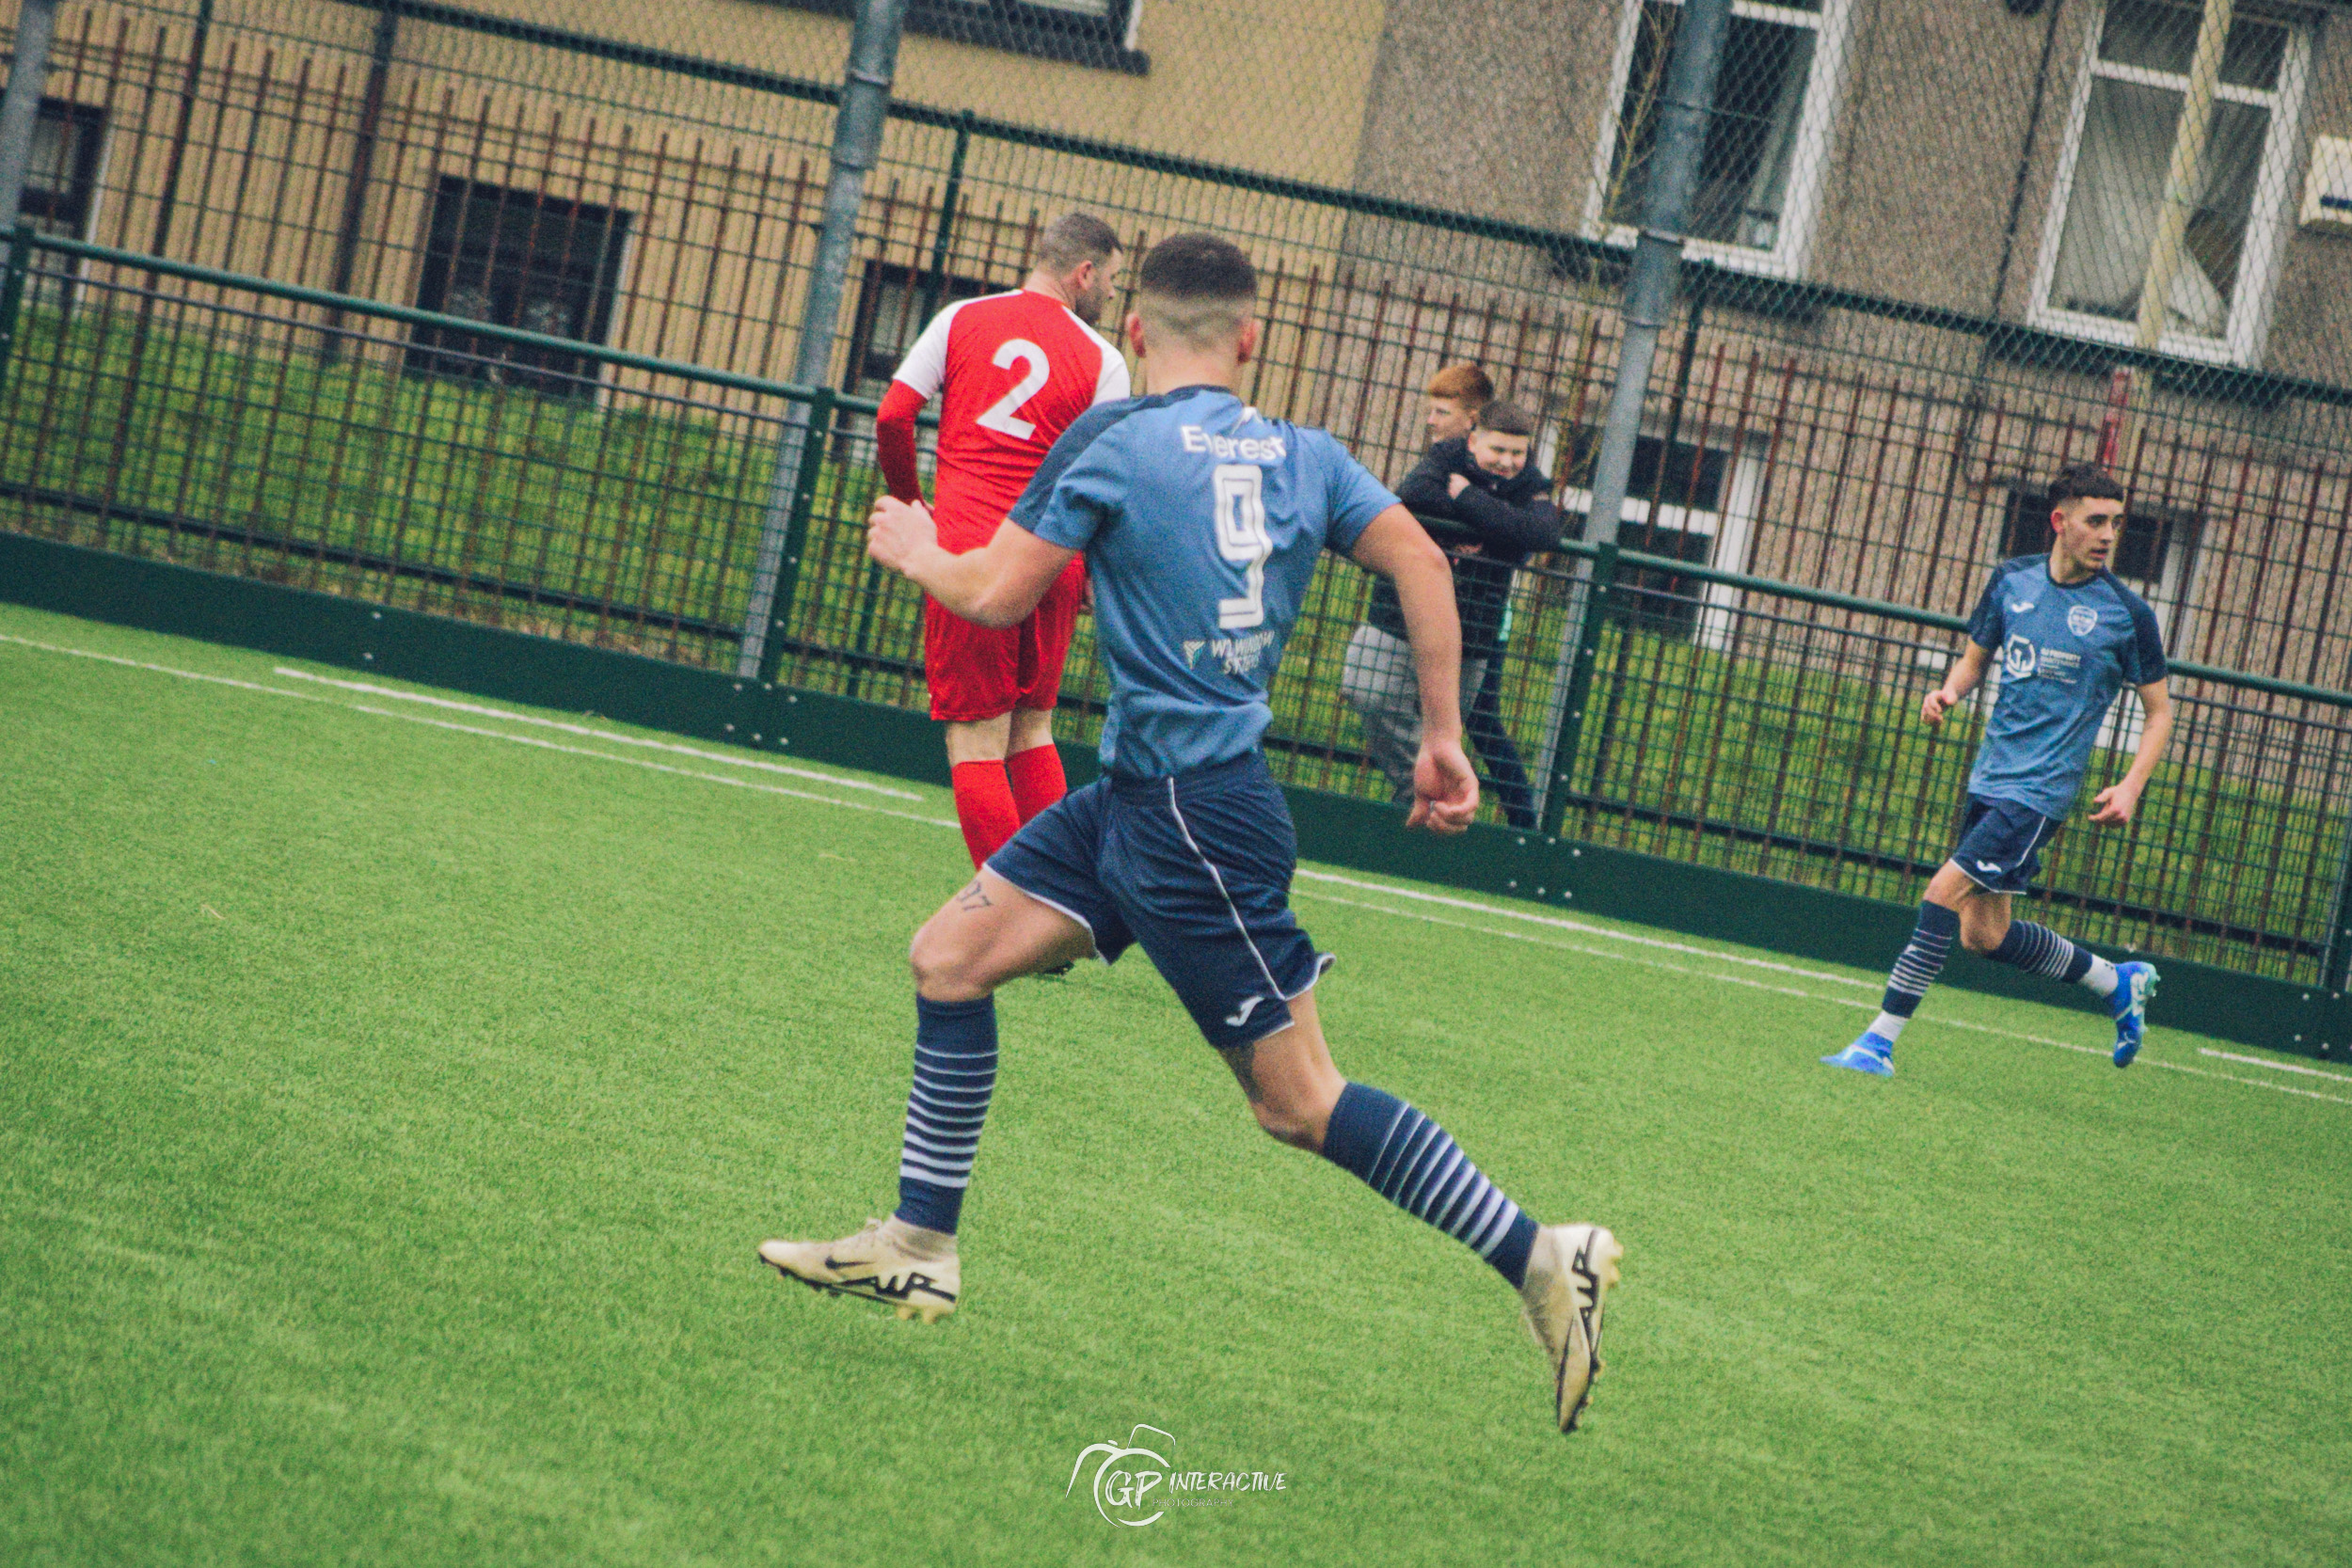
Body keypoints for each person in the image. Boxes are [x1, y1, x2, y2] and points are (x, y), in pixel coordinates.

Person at [760, 233, 1623, 1435]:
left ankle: (1541, 1252)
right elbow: (1422, 556)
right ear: (1252, 339)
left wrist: (918, 548)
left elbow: (996, 593)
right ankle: (917, 1240)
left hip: (1190, 825)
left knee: (1298, 1102)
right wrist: (1443, 733)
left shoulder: (1112, 442)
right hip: (1138, 802)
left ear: (1133, 337)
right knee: (947, 961)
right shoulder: (1306, 454)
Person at [1822, 463, 2172, 1078]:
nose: (2108, 534)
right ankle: (2115, 981)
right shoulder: (2011, 581)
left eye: (2116, 522)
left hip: (2038, 795)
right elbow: (1974, 659)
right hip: (1990, 779)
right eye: (2095, 520)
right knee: (1983, 935)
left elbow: (2160, 713)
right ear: (2060, 522)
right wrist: (1948, 692)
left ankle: (1878, 1041)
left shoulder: (2127, 613)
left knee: (1941, 892)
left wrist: (2131, 783)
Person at [874, 211, 1130, 869]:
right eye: (1111, 280)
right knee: (1033, 728)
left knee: (976, 741)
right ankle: (1061, 908)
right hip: (1050, 559)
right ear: (1084, 272)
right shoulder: (1104, 359)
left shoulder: (962, 317)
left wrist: (912, 508)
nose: (1110, 293)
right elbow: (1105, 480)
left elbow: (894, 415)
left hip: (967, 554)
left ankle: (1011, 921)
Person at [1343, 399, 1559, 829]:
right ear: (1474, 440)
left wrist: (1465, 496)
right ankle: (1419, 789)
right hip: (1397, 616)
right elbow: (1414, 498)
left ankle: (1432, 815)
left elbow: (1540, 533)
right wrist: (1499, 530)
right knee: (1365, 689)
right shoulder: (1445, 456)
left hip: (1471, 635)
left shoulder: (1530, 482)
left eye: (1518, 453)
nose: (1507, 462)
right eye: (1498, 450)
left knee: (1445, 733)